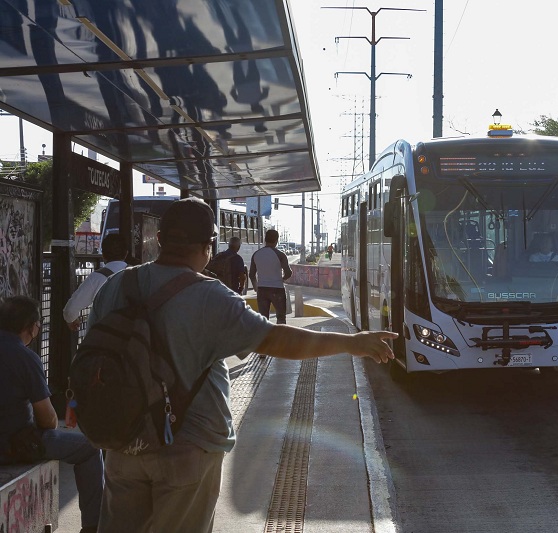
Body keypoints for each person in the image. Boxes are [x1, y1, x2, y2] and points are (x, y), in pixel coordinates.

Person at [89, 197, 395, 533]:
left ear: (159, 239)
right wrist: (351, 343)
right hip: (188, 446)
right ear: (208, 247)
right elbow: (276, 340)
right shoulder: (210, 296)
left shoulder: (116, 286)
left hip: (122, 441)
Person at [0, 296, 104, 533]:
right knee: (89, 448)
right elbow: (48, 420)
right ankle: (93, 525)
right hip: (13, 445)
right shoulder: (25, 357)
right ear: (32, 327)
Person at [63, 233, 129, 331]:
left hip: (104, 338)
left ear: (103, 255)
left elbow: (70, 310)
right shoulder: (139, 275)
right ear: (126, 253)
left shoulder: (97, 277)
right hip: (134, 339)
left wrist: (71, 320)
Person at [250, 229, 292, 324]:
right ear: (277, 240)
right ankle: (280, 338)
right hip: (277, 289)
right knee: (281, 317)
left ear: (265, 239)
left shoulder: (256, 254)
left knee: (263, 319)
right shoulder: (280, 255)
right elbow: (289, 273)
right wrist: (282, 279)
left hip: (262, 289)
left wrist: (256, 287)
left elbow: (251, 274)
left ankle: (265, 337)